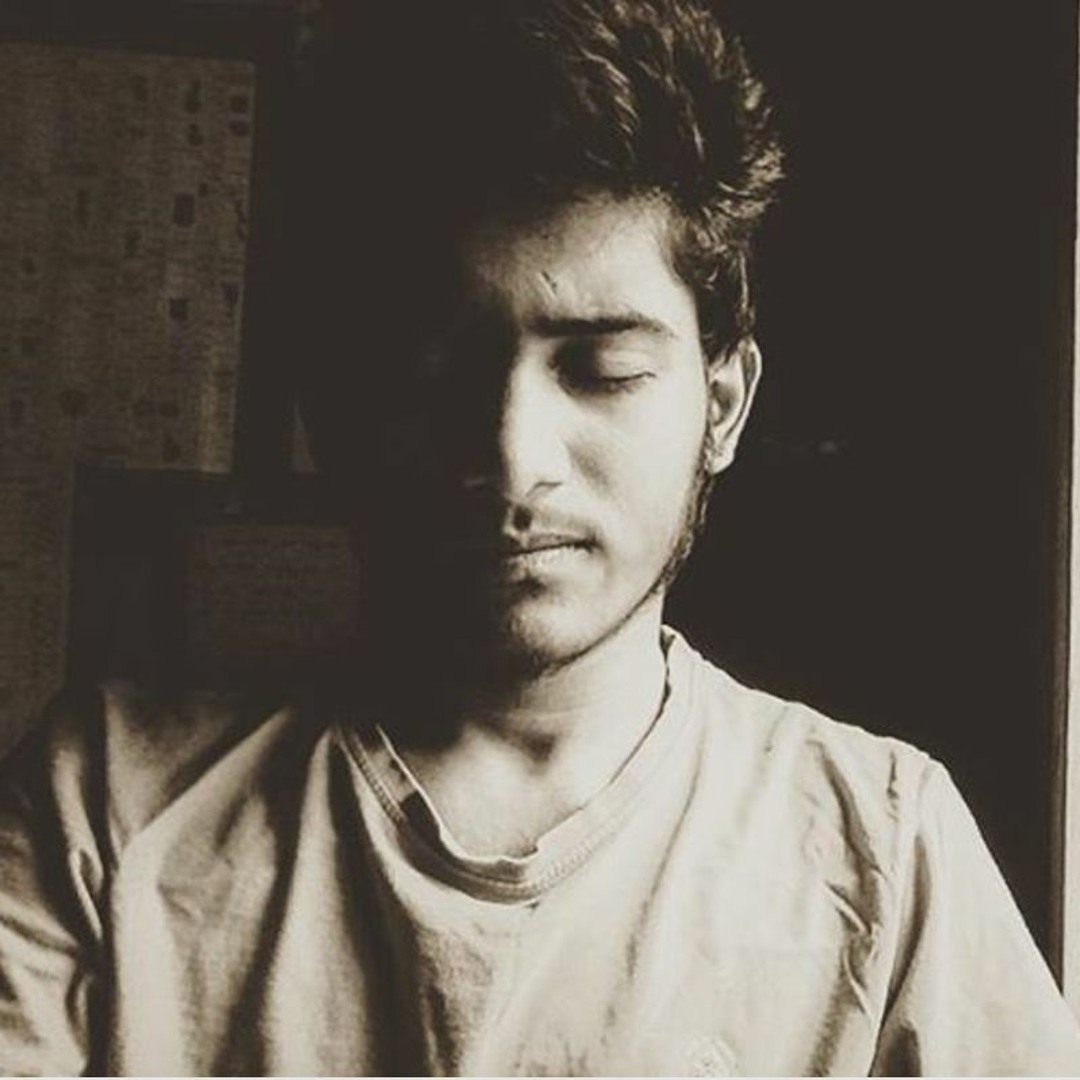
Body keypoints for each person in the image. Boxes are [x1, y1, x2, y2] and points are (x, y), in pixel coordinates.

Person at [2, 0, 1079, 1074]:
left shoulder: (886, 848)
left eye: (602, 371)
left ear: (722, 407)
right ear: (333, 413)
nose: (515, 458)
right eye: (436, 373)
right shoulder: (107, 806)